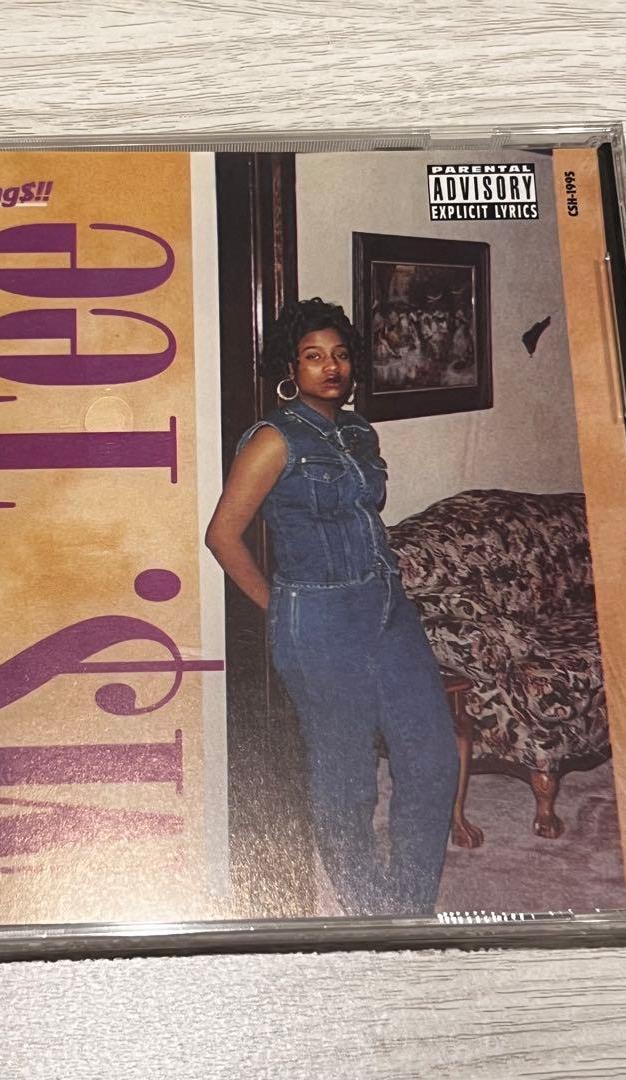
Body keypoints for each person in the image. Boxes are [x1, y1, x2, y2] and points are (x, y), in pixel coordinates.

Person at [205, 297, 459, 916]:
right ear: (291, 368)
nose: (331, 367)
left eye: (340, 355)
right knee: (347, 780)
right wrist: (279, 606)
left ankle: (410, 907)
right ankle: (369, 907)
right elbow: (222, 535)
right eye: (314, 357)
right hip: (319, 619)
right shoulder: (273, 439)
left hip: (386, 606)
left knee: (432, 758)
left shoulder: (357, 431)